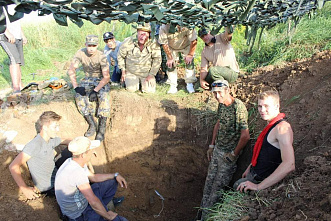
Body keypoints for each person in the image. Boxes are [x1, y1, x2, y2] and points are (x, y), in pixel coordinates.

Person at [199, 80, 250, 220]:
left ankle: (208, 218)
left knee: (216, 191)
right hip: (217, 151)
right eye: (214, 93)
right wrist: (211, 145)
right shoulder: (221, 106)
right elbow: (218, 123)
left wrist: (234, 154)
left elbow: (245, 136)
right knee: (208, 185)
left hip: (228, 156)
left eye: (220, 92)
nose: (217, 96)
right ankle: (201, 215)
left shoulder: (238, 108)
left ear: (228, 90)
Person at [234, 90, 295, 192]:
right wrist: (251, 166)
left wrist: (258, 187)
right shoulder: (271, 125)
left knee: (237, 185)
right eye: (259, 106)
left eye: (266, 106)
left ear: (276, 106)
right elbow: (265, 151)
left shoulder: (282, 128)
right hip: (254, 174)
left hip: (261, 181)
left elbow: (289, 164)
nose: (262, 110)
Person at [55, 136, 128, 221]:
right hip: (79, 214)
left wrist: (115, 175)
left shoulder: (73, 161)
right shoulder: (77, 173)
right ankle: (101, 212)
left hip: (84, 201)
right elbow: (92, 201)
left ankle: (101, 209)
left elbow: (93, 177)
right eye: (90, 150)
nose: (93, 151)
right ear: (83, 154)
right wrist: (108, 216)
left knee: (112, 182)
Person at [9, 111, 70, 199]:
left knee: (71, 150)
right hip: (50, 187)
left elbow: (65, 140)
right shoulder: (35, 145)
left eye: (58, 126)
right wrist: (24, 189)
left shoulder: (50, 139)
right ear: (45, 127)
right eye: (55, 127)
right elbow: (13, 166)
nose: (58, 129)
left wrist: (84, 144)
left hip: (56, 174)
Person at [67, 35, 110, 141]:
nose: (91, 48)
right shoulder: (80, 53)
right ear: (85, 44)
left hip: (100, 79)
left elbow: (106, 77)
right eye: (89, 45)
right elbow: (71, 70)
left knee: (104, 97)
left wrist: (95, 90)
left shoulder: (101, 56)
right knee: (79, 97)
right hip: (87, 78)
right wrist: (76, 87)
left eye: (94, 45)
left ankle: (101, 128)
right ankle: (92, 124)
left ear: (97, 45)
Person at [117, 23, 161, 93]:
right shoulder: (128, 41)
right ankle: (129, 82)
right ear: (136, 33)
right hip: (131, 73)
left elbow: (157, 59)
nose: (143, 37)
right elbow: (120, 56)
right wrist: (123, 71)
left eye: (145, 34)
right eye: (141, 34)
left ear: (149, 34)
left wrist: (152, 75)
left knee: (150, 91)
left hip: (146, 73)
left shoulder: (153, 43)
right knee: (131, 89)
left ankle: (143, 84)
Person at [158, 24, 197, 94]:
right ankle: (173, 85)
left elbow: (194, 40)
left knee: (189, 62)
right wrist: (170, 58)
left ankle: (189, 83)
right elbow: (164, 43)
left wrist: (190, 55)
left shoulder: (187, 24)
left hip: (186, 45)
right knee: (170, 65)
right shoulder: (164, 27)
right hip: (172, 47)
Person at [198, 26, 239, 90]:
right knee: (199, 85)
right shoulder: (204, 51)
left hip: (231, 72)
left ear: (210, 32)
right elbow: (204, 68)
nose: (205, 37)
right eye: (202, 37)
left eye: (206, 34)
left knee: (213, 70)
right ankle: (214, 86)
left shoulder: (221, 37)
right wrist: (202, 80)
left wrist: (228, 26)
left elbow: (228, 35)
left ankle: (222, 88)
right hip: (217, 73)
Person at [0, 4, 28, 93]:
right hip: (5, 35)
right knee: (14, 59)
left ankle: (20, 85)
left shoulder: (15, 4)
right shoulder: (2, 4)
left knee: (18, 61)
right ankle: (16, 88)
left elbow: (17, 22)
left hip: (17, 35)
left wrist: (22, 35)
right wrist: (6, 32)